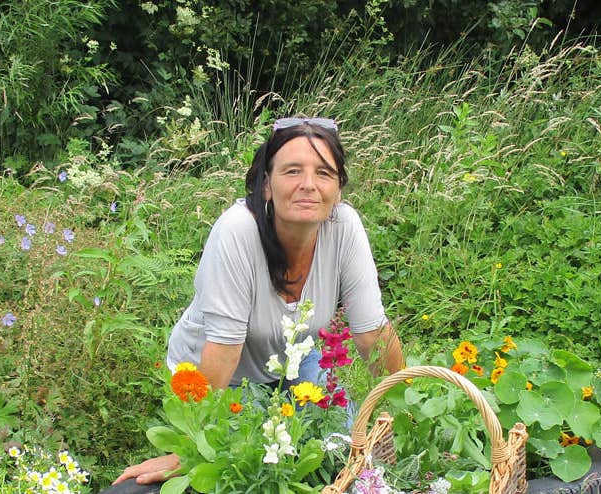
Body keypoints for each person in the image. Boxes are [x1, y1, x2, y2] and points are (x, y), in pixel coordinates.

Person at [108, 117, 404, 492]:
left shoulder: (344, 227)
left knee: (341, 452)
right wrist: (194, 446)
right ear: (266, 184)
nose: (308, 185)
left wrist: (399, 408)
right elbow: (224, 348)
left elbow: (372, 334)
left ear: (338, 191)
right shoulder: (238, 231)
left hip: (295, 362)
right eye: (292, 171)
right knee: (237, 468)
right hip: (217, 373)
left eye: (324, 173)